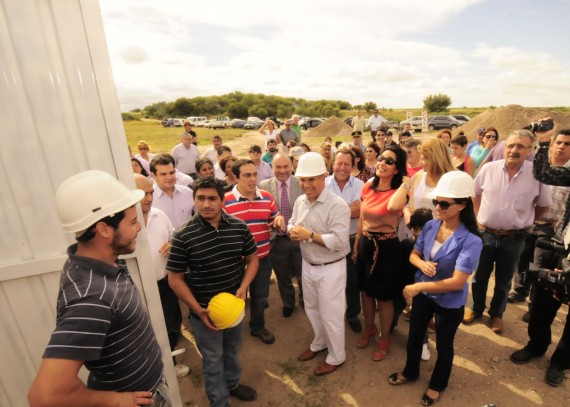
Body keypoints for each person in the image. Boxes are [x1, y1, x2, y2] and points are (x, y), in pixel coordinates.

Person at [28, 170, 169, 407]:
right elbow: (45, 396)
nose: (139, 228)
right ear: (104, 229)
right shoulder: (92, 298)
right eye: (133, 222)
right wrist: (117, 400)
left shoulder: (97, 264)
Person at [388, 171, 483, 407]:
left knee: (444, 346)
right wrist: (421, 264)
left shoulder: (471, 240)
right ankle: (411, 372)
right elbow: (414, 254)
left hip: (449, 302)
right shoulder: (431, 225)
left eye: (443, 203)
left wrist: (419, 284)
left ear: (462, 206)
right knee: (415, 336)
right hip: (424, 296)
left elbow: (458, 282)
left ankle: (437, 385)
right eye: (435, 201)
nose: (437, 207)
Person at [167, 178, 259, 405]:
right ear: (194, 199)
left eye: (212, 198)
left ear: (222, 200)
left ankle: (232, 384)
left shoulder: (239, 226)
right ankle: (219, 401)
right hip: (204, 313)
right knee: (211, 359)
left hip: (234, 309)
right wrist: (198, 310)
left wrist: (244, 287)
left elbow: (253, 259)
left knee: (231, 350)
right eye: (200, 198)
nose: (206, 204)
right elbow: (175, 279)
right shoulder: (183, 235)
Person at [463, 129, 551, 334]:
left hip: (515, 238)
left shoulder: (535, 174)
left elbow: (543, 205)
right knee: (479, 276)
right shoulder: (488, 169)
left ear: (530, 150)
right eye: (510, 145)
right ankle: (476, 308)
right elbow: (475, 195)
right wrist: (477, 219)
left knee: (504, 280)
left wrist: (526, 220)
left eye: (520, 146)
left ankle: (496, 314)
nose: (513, 150)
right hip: (485, 234)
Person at [510, 126, 570, 387]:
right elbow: (544, 172)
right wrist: (544, 141)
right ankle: (536, 345)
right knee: (543, 302)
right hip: (561, 246)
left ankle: (561, 362)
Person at [290, 152, 350, 376]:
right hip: (308, 264)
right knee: (312, 308)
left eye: (311, 179)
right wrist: (291, 230)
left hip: (331, 267)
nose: (306, 185)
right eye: (303, 180)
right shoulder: (300, 201)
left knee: (331, 313)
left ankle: (337, 356)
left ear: (324, 176)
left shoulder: (337, 205)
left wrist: (308, 236)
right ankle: (320, 342)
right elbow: (292, 222)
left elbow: (339, 241)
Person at [353, 146, 407, 362]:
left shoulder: (401, 191)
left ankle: (385, 337)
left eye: (389, 161)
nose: (382, 163)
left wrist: (407, 182)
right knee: (365, 292)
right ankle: (369, 328)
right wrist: (356, 245)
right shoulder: (367, 186)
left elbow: (394, 206)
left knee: (384, 298)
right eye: (381, 158)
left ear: (397, 169)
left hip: (387, 247)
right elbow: (361, 218)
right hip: (366, 243)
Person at [223, 159, 285, 344]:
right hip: (234, 262)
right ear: (235, 177)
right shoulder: (225, 201)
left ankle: (257, 327)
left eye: (255, 174)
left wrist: (279, 219)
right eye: (247, 175)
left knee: (260, 297)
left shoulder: (266, 197)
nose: (252, 179)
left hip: (262, 258)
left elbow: (275, 217)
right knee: (233, 298)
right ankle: (231, 332)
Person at [134, 174, 189, 378]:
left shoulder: (159, 215)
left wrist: (172, 245)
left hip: (166, 284)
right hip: (139, 289)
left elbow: (174, 236)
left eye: (150, 193)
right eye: (143, 194)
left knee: (171, 323)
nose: (149, 198)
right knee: (147, 330)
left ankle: (170, 362)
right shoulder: (124, 223)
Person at [509, 129, 570, 309]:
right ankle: (519, 291)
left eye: (567, 144)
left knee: (540, 265)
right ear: (551, 145)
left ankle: (533, 304)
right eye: (558, 142)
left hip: (552, 228)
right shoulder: (539, 166)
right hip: (529, 221)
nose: (561, 147)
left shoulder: (566, 173)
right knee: (522, 258)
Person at [259, 153, 304, 317]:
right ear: (272, 167)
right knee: (282, 275)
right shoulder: (263, 186)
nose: (282, 170)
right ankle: (288, 302)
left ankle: (305, 300)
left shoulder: (301, 183)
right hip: (276, 240)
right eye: (278, 167)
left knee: (303, 274)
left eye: (286, 166)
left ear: (292, 166)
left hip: (299, 238)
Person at [325, 147, 365, 333]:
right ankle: (331, 316)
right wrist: (349, 210)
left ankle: (352, 315)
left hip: (352, 240)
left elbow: (361, 213)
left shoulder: (360, 186)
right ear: (333, 164)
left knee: (352, 281)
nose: (342, 167)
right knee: (331, 281)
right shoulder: (323, 184)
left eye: (346, 164)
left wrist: (337, 211)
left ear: (353, 165)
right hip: (328, 240)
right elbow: (323, 215)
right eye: (339, 163)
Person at [150, 154, 195, 229]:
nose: (169, 177)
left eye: (172, 172)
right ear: (153, 175)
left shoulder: (188, 192)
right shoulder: (149, 199)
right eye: (163, 174)